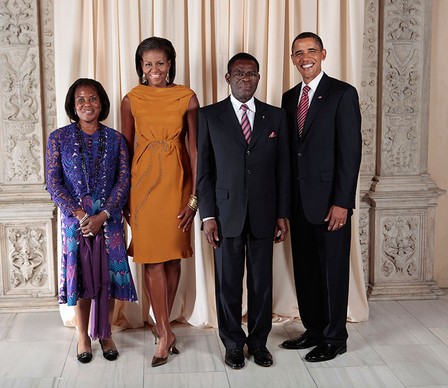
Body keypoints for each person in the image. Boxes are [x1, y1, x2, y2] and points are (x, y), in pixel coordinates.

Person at [197, 52, 291, 369]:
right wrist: (207, 215)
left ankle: (259, 343)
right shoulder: (209, 117)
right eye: (239, 73)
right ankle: (233, 344)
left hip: (264, 214)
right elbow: (205, 172)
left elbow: (282, 169)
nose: (245, 79)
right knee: (228, 284)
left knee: (262, 284)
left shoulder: (275, 117)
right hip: (225, 215)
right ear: (228, 78)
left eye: (251, 74)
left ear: (259, 78)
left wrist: (282, 213)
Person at [280, 32, 362, 362]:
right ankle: (313, 330)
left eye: (311, 50)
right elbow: (288, 155)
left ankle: (334, 337)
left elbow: (350, 153)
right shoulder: (288, 98)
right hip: (299, 204)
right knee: (306, 271)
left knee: (333, 271)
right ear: (292, 59)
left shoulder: (342, 94)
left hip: (331, 204)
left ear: (323, 54)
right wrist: (283, 207)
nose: (305, 57)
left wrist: (343, 202)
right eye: (298, 53)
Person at [46, 78, 138, 364]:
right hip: (76, 224)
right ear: (73, 106)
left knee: (107, 278)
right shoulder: (58, 138)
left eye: (93, 98)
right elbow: (53, 182)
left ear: (102, 103)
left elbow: (124, 181)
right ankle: (83, 336)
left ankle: (106, 332)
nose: (88, 104)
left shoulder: (116, 140)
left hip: (108, 222)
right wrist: (81, 215)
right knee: (84, 280)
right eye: (81, 100)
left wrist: (105, 214)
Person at [120, 36, 199, 368]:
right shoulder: (131, 99)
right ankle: (164, 331)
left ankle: (163, 327)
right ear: (141, 67)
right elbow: (124, 150)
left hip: (178, 183)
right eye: (148, 64)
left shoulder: (187, 98)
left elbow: (195, 150)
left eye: (160, 63)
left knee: (172, 259)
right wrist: (121, 194)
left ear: (170, 64)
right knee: (152, 259)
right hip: (142, 187)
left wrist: (195, 198)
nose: (154, 69)